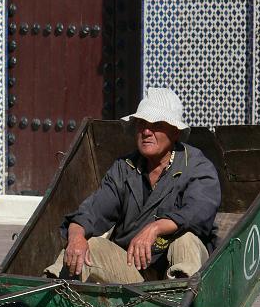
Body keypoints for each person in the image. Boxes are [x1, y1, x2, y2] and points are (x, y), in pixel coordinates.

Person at [47, 88, 221, 283]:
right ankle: (42, 298)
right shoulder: (124, 168)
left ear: (174, 131)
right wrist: (77, 237)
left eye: (156, 124)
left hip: (180, 272)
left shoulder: (197, 165)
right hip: (134, 272)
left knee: (185, 240)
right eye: (142, 124)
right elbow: (93, 211)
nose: (146, 131)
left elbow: (199, 211)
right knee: (90, 245)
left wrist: (155, 228)